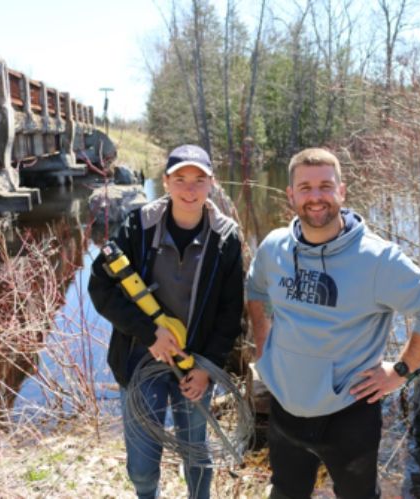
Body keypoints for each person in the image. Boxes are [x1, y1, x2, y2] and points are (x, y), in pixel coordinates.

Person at [246, 148, 420, 499]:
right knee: (284, 492)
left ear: (342, 191)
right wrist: (264, 347)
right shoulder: (274, 247)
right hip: (284, 408)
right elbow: (255, 287)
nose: (316, 197)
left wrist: (402, 370)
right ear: (291, 195)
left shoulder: (377, 259)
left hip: (348, 414)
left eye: (325, 186)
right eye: (306, 187)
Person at [88, 144, 244, 499]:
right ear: (167, 182)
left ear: (211, 184)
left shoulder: (227, 238)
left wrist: (207, 367)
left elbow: (229, 313)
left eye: (199, 180)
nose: (190, 189)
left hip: (195, 367)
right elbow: (100, 287)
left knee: (197, 456)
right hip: (140, 361)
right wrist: (149, 333)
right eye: (180, 179)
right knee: (142, 465)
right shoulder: (138, 227)